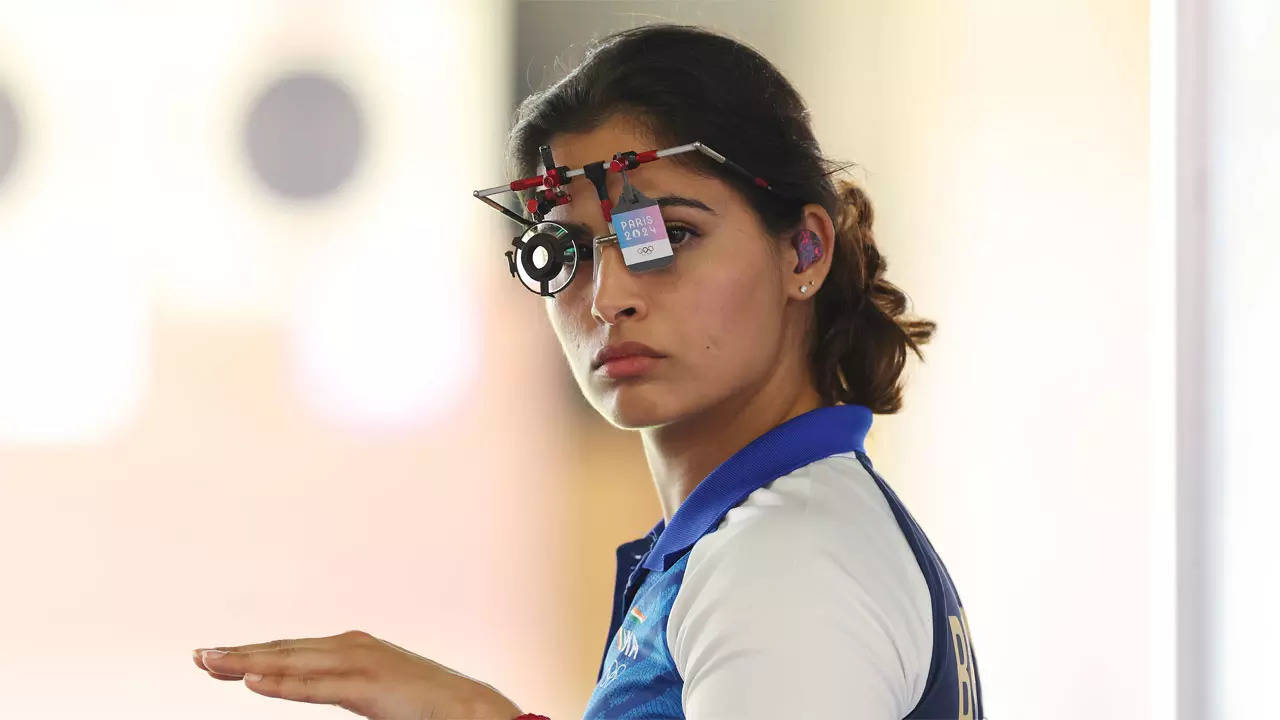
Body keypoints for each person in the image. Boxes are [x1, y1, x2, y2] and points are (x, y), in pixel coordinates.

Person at [193, 22, 983, 720]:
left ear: (804, 251)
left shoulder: (788, 562)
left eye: (666, 235)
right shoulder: (761, 537)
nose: (608, 297)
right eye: (561, 252)